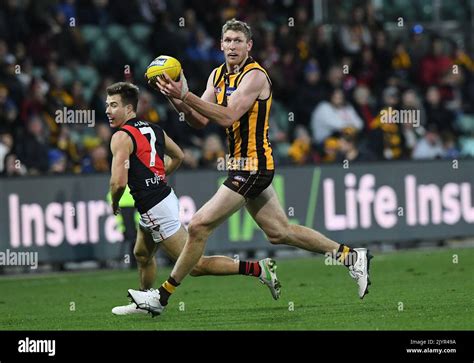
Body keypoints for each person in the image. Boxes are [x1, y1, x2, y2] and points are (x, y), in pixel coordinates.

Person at [128, 19, 372, 316]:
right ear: (220, 45)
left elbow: (229, 117)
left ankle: (161, 298)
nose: (232, 46)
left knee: (199, 225)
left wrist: (184, 96)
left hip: (254, 165)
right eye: (227, 40)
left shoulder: (255, 77)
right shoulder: (217, 75)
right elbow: (200, 120)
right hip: (240, 166)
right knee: (279, 232)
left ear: (249, 46)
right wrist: (175, 98)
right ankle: (351, 258)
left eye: (237, 41)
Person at [106, 81, 281, 316]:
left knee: (196, 266)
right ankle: (143, 301)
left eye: (114, 105)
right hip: (161, 199)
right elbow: (178, 155)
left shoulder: (120, 137)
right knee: (142, 254)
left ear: (129, 109)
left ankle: (259, 269)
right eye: (107, 105)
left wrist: (115, 201)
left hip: (155, 207)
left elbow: (118, 182)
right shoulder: (153, 128)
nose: (108, 110)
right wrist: (159, 176)